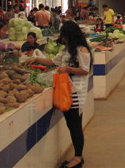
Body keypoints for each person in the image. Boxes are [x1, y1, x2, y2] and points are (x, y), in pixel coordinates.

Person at [25, 21, 92, 168]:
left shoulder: (82, 50)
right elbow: (53, 61)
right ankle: (77, 156)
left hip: (76, 93)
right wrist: (36, 59)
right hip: (66, 91)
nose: (63, 39)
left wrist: (67, 69)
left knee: (75, 125)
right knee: (71, 124)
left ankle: (78, 157)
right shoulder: (68, 49)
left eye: (65, 36)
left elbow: (85, 70)